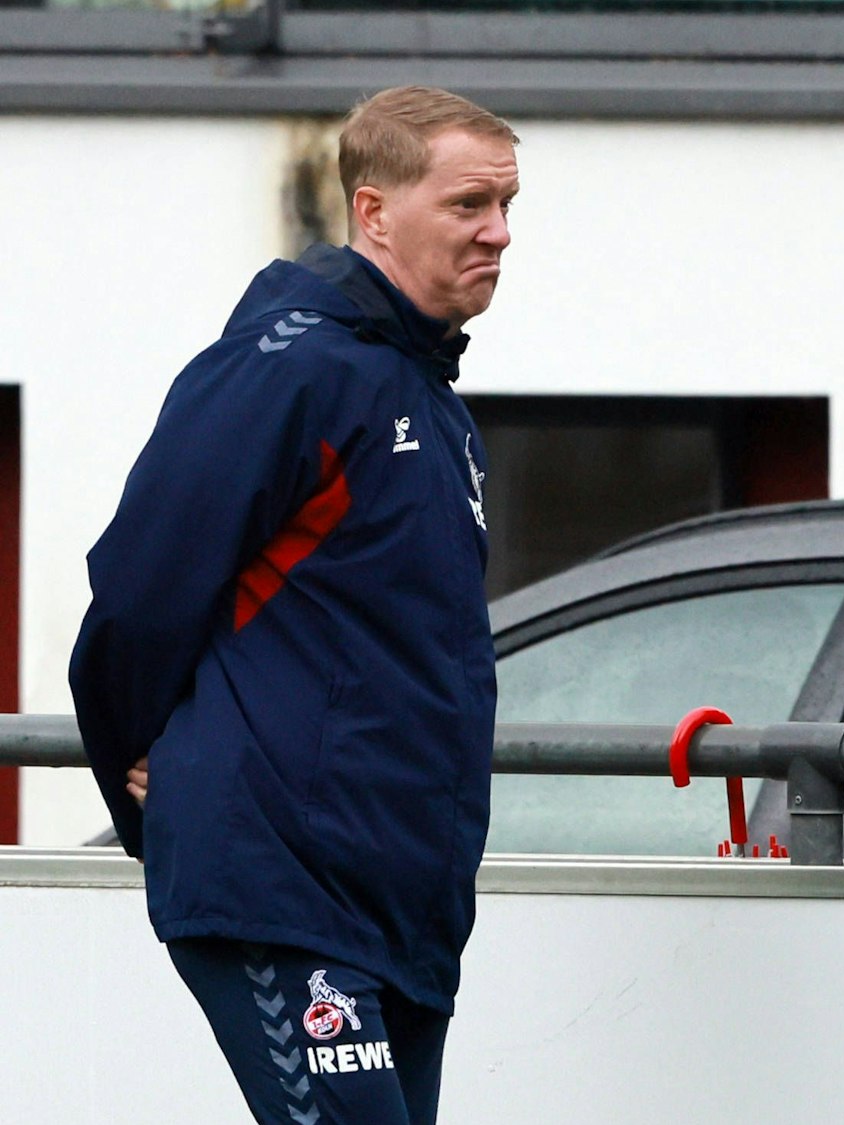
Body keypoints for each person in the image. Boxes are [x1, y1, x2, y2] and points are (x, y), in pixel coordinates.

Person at [69, 86, 518, 1124]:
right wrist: (145, 760)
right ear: (374, 212)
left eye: (506, 205)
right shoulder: (291, 369)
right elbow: (137, 592)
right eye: (468, 204)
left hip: (403, 903)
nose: (498, 232)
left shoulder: (433, 404)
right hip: (279, 883)